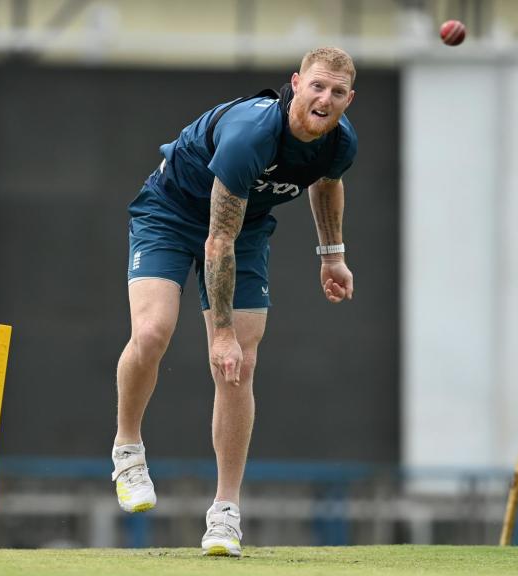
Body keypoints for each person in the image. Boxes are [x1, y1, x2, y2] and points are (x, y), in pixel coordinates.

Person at [111, 46, 358, 557]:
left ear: (348, 99)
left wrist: (332, 254)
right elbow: (215, 240)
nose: (325, 99)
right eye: (317, 86)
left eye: (337, 92)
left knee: (239, 366)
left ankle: (225, 513)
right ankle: (127, 449)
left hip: (243, 231)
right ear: (295, 84)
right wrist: (219, 331)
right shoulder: (251, 135)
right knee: (153, 331)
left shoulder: (339, 142)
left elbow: (327, 183)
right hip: (172, 214)